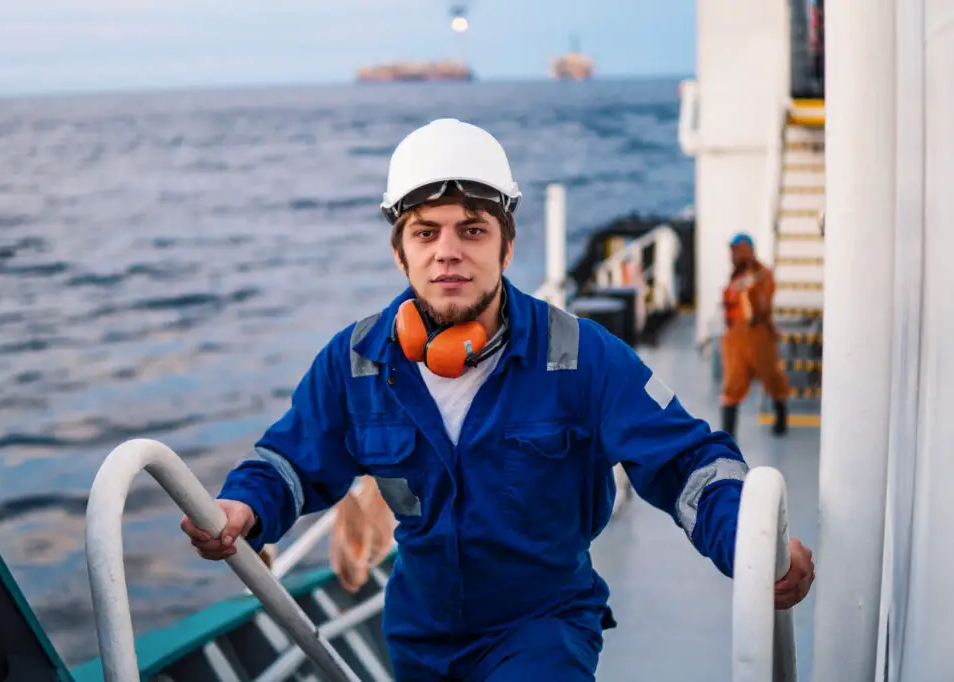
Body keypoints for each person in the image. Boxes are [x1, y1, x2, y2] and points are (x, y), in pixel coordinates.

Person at [181, 119, 815, 681]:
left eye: (472, 230)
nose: (448, 251)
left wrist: (749, 540)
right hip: (417, 638)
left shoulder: (580, 355)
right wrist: (243, 506)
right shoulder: (356, 363)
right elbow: (290, 461)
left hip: (542, 632)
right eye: (425, 232)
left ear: (506, 247)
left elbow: (684, 459)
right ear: (400, 253)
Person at [720, 233, 791, 438]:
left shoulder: (762, 274)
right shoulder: (736, 274)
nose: (735, 255)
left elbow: (763, 301)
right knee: (732, 385)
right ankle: (728, 434)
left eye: (739, 250)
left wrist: (751, 288)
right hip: (736, 336)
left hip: (759, 334)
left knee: (773, 377)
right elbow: (729, 300)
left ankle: (781, 419)